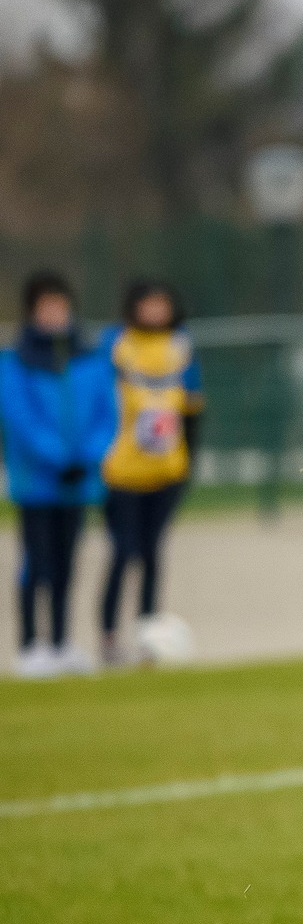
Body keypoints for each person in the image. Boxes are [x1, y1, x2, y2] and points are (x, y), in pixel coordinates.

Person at [2, 271, 116, 677]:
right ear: (33, 311)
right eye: (46, 307)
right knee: (37, 562)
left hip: (79, 480)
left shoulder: (89, 357)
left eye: (60, 306)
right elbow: (20, 418)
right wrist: (56, 458)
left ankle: (62, 642)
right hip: (37, 481)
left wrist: (86, 457)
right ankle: (31, 645)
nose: (54, 314)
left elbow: (107, 413)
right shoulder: (15, 361)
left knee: (68, 563)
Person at [98, 279, 203, 665]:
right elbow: (98, 401)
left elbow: (192, 408)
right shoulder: (116, 344)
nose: (156, 311)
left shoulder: (180, 346)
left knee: (153, 553)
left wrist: (188, 462)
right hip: (122, 471)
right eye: (149, 304)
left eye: (162, 303)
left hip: (165, 471)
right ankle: (108, 636)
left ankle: (148, 636)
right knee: (122, 552)